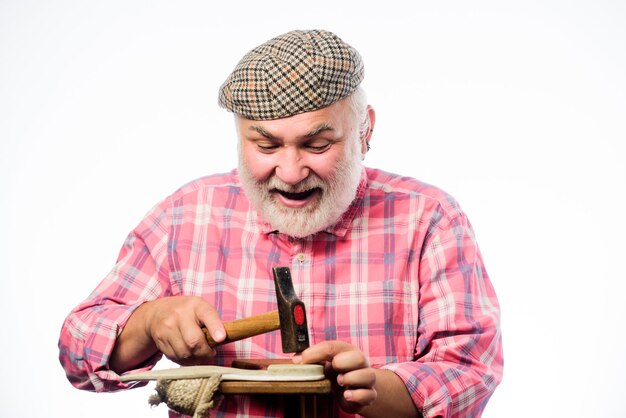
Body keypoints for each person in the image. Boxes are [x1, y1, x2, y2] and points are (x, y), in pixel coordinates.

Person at [59, 29, 503, 417]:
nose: (290, 173)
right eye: (266, 146)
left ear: (365, 131)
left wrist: (374, 390)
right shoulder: (186, 215)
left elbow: (469, 371)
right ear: (239, 136)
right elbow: (78, 351)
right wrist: (148, 321)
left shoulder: (430, 218)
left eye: (316, 143)